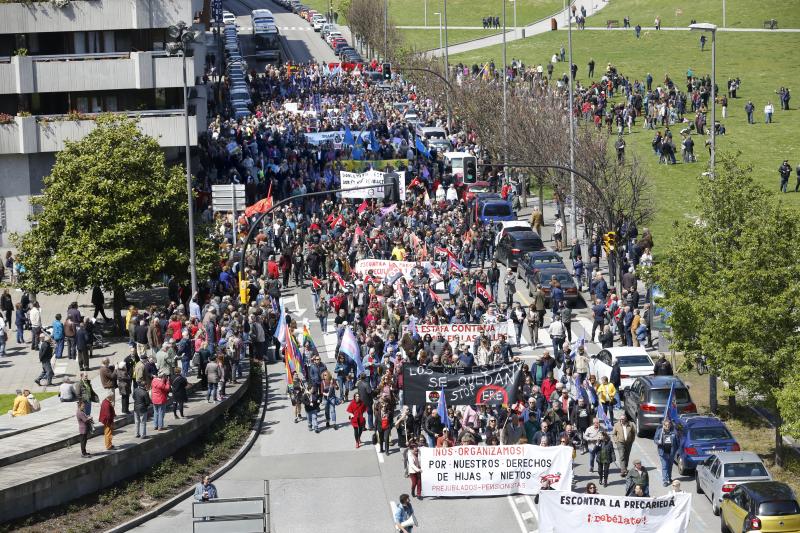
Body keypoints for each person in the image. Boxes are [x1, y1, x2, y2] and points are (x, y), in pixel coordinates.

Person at [654, 418, 677, 486]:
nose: (667, 427)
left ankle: (669, 478)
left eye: (668, 425)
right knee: (665, 466)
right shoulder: (659, 431)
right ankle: (665, 480)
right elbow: (655, 439)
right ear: (663, 425)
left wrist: (676, 450)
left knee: (670, 466)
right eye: (666, 425)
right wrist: (659, 442)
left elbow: (677, 441)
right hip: (663, 452)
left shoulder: (673, 432)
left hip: (671, 452)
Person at [612, 412, 636, 477]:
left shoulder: (630, 424)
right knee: (622, 456)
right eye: (620, 419)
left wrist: (632, 440)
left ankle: (625, 467)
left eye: (623, 419)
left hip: (628, 442)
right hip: (620, 442)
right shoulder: (617, 425)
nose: (621, 420)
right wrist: (616, 441)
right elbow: (613, 434)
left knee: (627, 455)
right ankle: (623, 470)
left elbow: (634, 433)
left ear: (625, 419)